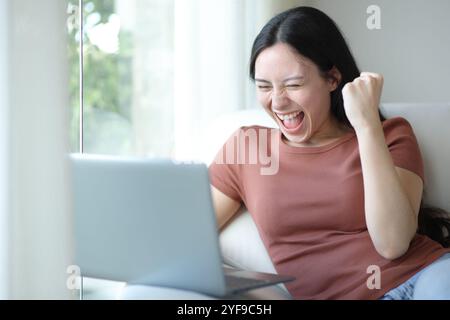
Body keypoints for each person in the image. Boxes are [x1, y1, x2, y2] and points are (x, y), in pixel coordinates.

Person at [208, 6, 450, 300]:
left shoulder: (389, 135)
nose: (278, 102)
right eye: (264, 87)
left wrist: (366, 124)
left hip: (428, 276)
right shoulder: (246, 149)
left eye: (293, 85)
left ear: (333, 79)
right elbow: (180, 237)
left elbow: (393, 243)